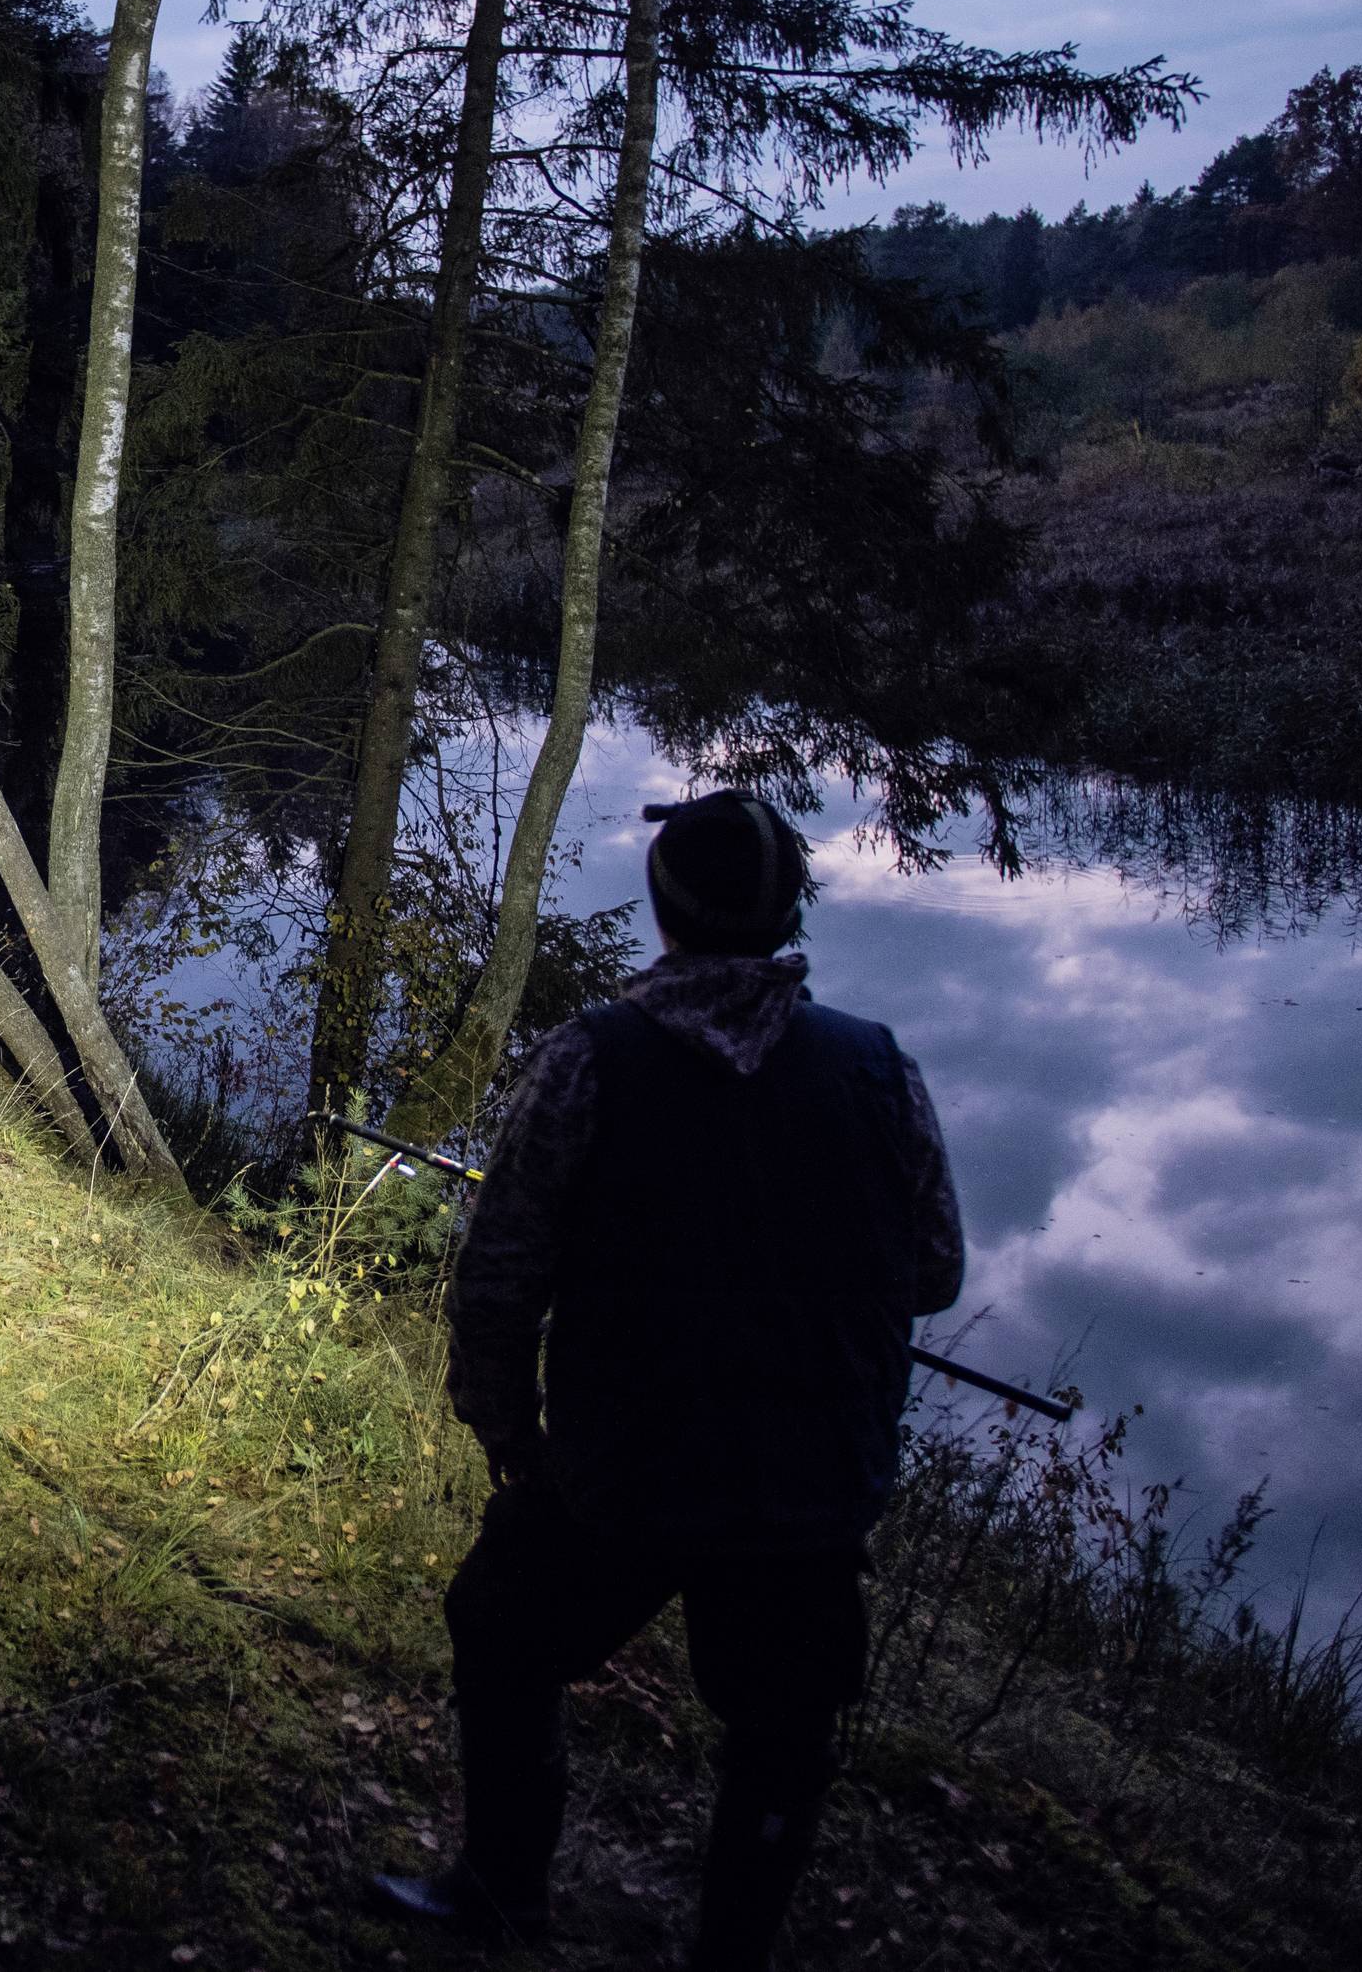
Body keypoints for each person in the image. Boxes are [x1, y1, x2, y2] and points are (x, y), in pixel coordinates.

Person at [373, 788, 965, 1968]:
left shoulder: (589, 1060)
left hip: (620, 1473)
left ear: (664, 909)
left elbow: (499, 1277)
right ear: (790, 909)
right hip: (809, 1489)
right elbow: (935, 1274)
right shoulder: (879, 1072)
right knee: (782, 1734)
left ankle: (502, 1893)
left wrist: (508, 1433)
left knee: (500, 1628)